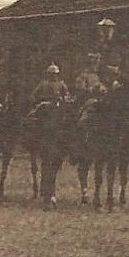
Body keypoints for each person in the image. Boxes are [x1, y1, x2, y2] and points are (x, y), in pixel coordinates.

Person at [30, 64, 72, 205]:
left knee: (68, 119)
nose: (53, 76)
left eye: (55, 74)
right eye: (51, 74)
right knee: (34, 117)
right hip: (45, 106)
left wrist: (64, 99)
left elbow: (67, 95)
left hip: (58, 106)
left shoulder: (62, 84)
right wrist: (42, 101)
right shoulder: (43, 84)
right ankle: (34, 137)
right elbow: (34, 96)